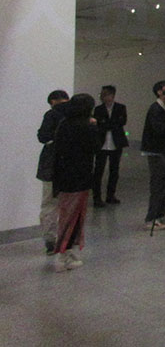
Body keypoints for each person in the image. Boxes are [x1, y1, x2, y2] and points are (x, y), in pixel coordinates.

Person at [52, 93, 97, 271]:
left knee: (69, 215)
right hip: (78, 178)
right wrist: (94, 127)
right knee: (72, 216)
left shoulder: (65, 123)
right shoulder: (85, 126)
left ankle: (67, 250)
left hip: (64, 177)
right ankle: (63, 255)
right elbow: (95, 146)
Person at [141, 80, 165, 231]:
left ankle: (161, 215)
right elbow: (158, 129)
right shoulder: (155, 109)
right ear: (159, 92)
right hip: (156, 150)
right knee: (158, 184)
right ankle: (151, 218)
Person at [36, 90, 70, 255]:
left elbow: (42, 136)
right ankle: (67, 240)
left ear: (53, 101)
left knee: (49, 203)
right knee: (68, 204)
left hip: (50, 165)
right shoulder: (77, 116)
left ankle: (51, 241)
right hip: (69, 165)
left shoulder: (51, 115)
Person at [92, 85, 129, 207]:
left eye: (108, 95)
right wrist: (110, 124)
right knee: (98, 171)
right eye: (104, 95)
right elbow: (99, 124)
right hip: (102, 143)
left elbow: (122, 122)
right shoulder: (98, 109)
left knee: (114, 170)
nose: (106, 98)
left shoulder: (120, 107)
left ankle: (110, 195)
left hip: (116, 142)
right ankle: (97, 197)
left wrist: (106, 123)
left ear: (113, 95)